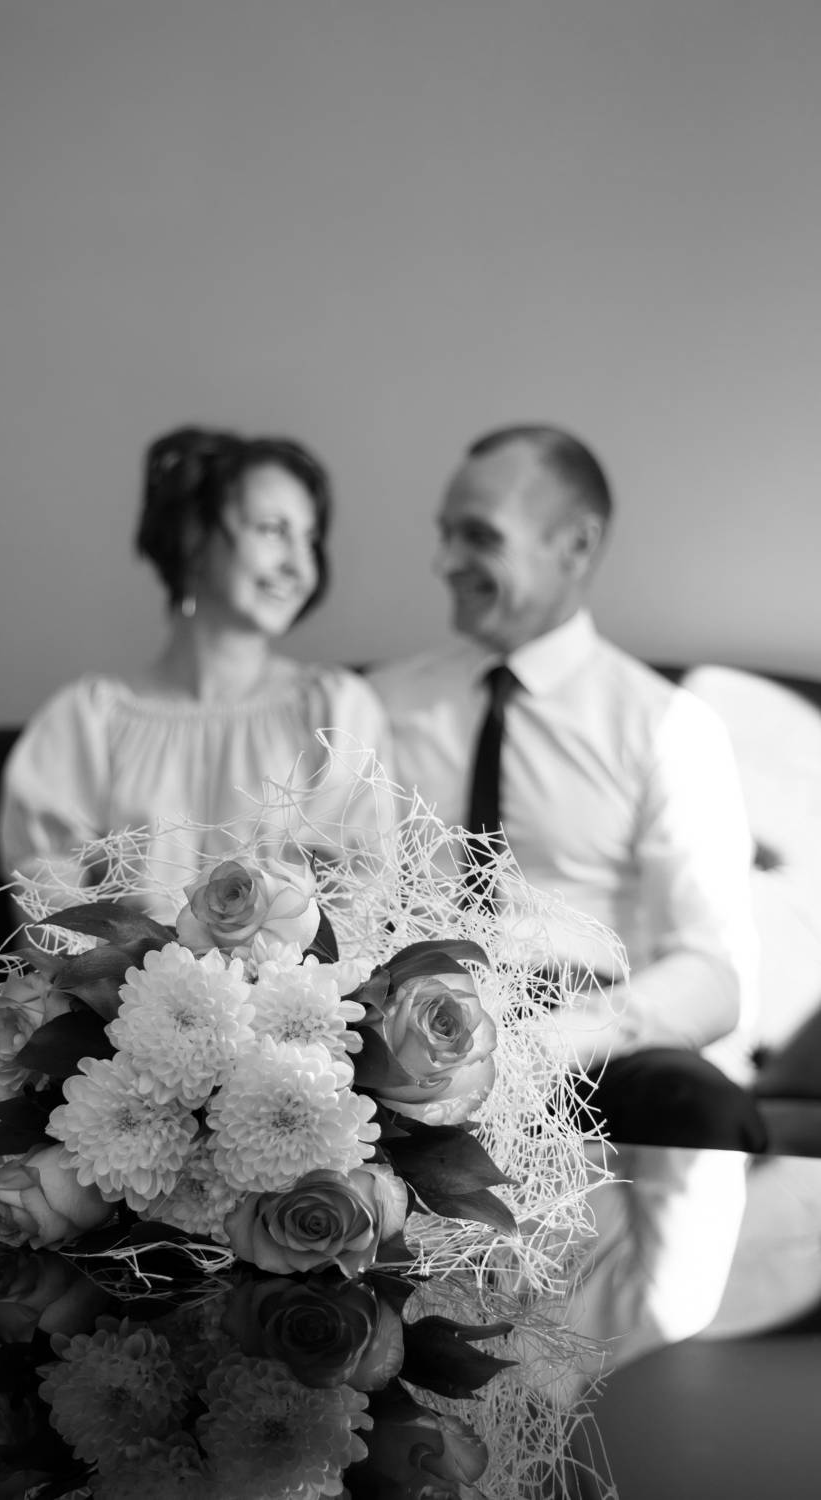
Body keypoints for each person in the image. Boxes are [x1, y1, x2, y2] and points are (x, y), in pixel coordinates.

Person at [368, 422, 765, 1384]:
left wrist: (559, 1040)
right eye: (444, 533)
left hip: (578, 1050)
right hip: (395, 1040)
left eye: (477, 536)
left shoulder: (663, 727)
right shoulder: (380, 707)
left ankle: (593, 1381)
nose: (443, 562)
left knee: (697, 1117)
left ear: (574, 545)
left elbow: (714, 975)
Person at [0, 425, 394, 921]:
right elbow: (49, 916)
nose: (300, 566)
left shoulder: (335, 711)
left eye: (309, 540)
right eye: (273, 530)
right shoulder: (86, 722)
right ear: (193, 535)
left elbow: (356, 907)